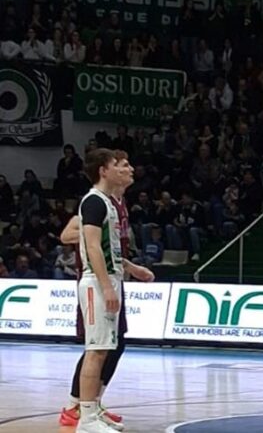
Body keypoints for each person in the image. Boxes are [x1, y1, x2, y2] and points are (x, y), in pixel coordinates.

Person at [59, 151, 154, 432]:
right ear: (104, 170)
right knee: (97, 349)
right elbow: (90, 245)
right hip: (96, 281)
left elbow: (107, 248)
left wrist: (129, 269)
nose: (129, 169)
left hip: (110, 278)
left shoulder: (112, 203)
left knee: (108, 346)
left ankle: (91, 410)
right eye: (121, 165)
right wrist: (105, 286)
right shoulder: (95, 202)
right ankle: (83, 415)